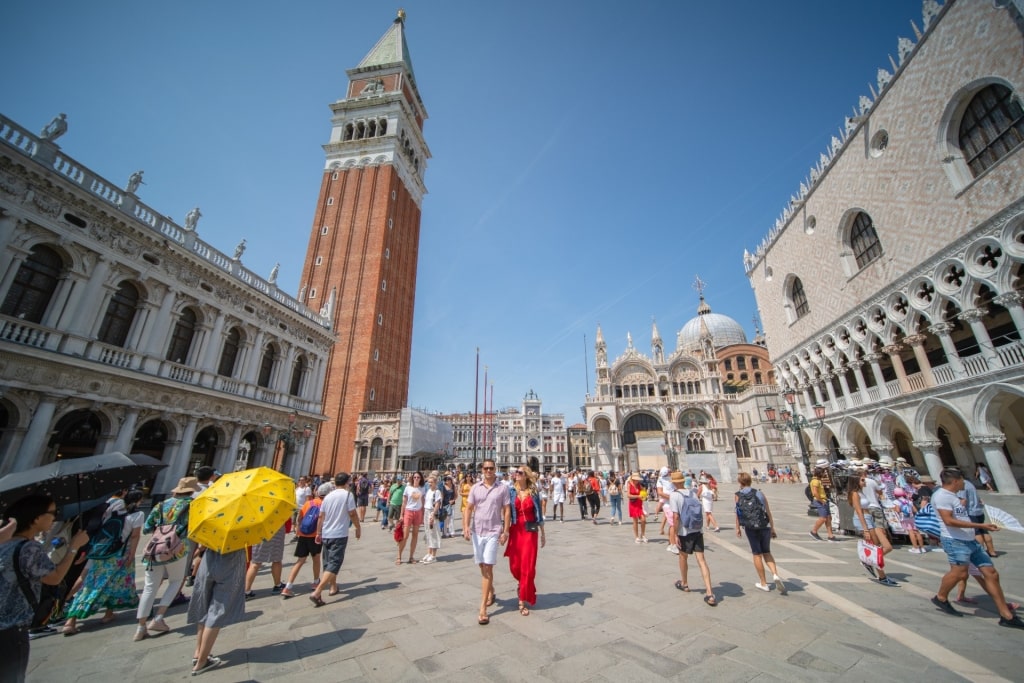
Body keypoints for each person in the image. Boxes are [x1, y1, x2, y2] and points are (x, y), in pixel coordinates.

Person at [1, 495, 89, 683]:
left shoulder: (6, 544)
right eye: (52, 513)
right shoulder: (29, 548)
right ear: (36, 517)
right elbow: (54, 578)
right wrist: (74, 546)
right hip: (12, 629)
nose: (55, 517)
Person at [930, 468, 1023, 628]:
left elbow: (958, 515)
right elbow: (949, 521)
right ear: (955, 481)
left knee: (991, 573)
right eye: (962, 480)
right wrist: (979, 525)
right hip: (955, 541)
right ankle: (941, 597)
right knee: (959, 573)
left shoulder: (953, 496)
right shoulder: (941, 496)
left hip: (969, 539)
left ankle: (1006, 615)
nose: (964, 484)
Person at [62, 490, 144, 635]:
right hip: (119, 554)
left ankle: (68, 610)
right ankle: (74, 618)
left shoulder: (110, 510)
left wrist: (87, 551)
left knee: (87, 581)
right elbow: (135, 536)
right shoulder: (137, 515)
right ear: (139, 501)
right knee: (105, 585)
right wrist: (131, 555)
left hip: (99, 551)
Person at [134, 477, 198, 641]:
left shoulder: (161, 505)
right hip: (179, 548)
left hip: (155, 547)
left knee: (149, 587)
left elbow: (147, 527)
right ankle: (158, 618)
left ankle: (140, 627)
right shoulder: (193, 505)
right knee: (176, 581)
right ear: (192, 490)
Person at [463, 459, 510, 626]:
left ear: (495, 470)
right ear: (482, 470)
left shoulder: (502, 488)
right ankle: (491, 590)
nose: (489, 471)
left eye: (491, 468)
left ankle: (482, 608)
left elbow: (506, 510)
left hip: (493, 531)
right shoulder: (475, 488)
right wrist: (466, 527)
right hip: (477, 531)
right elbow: (468, 508)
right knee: (482, 566)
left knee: (488, 567)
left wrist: (505, 531)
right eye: (486, 468)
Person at [186, 543, 246, 675]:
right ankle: (202, 661)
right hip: (232, 558)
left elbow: (200, 544)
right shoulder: (241, 522)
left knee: (204, 604)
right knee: (217, 610)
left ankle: (198, 652)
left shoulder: (210, 521)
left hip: (209, 556)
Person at [310, 473, 360, 607]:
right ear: (347, 482)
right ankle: (318, 591)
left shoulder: (327, 496)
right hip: (339, 534)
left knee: (327, 563)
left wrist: (318, 532)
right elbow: (353, 513)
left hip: (326, 534)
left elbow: (321, 516)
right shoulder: (348, 495)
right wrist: (358, 527)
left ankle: (333, 587)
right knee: (335, 563)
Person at [668, 471, 716, 606]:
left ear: (674, 483)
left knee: (683, 557)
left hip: (685, 532)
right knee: (702, 560)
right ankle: (709, 593)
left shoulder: (675, 496)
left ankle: (684, 583)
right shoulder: (693, 493)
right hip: (697, 530)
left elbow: (676, 517)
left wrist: (676, 534)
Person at [734, 472, 787, 594]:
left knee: (757, 554)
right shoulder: (759, 493)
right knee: (767, 552)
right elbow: (768, 512)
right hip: (765, 526)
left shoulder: (738, 495)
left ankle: (763, 583)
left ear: (740, 482)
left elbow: (738, 513)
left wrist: (737, 528)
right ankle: (775, 575)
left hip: (750, 527)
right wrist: (772, 528)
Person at [505, 466, 545, 616]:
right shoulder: (510, 491)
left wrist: (543, 533)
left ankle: (522, 599)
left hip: (529, 531)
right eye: (516, 473)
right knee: (515, 565)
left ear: (526, 476)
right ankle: (522, 583)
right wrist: (504, 530)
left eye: (520, 473)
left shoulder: (533, 492)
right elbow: (505, 510)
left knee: (527, 565)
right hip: (516, 529)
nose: (516, 474)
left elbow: (538, 513)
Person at [281, 482, 331, 599]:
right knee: (316, 559)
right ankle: (315, 581)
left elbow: (299, 517)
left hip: (303, 535)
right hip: (315, 536)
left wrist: (299, 529)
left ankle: (288, 586)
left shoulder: (309, 503)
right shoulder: (325, 504)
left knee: (300, 561)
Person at [848, 472, 898, 586]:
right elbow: (859, 512)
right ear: (856, 482)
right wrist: (865, 529)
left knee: (887, 547)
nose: (864, 481)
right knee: (875, 548)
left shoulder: (861, 492)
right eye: (862, 480)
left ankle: (868, 561)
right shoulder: (854, 493)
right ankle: (882, 576)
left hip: (870, 518)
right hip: (864, 520)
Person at [243, 523, 286, 599]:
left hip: (259, 530)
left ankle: (246, 590)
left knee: (255, 562)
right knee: (277, 559)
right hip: (276, 528)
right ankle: (278, 585)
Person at [397, 472, 425, 565]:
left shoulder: (422, 488)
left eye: (418, 477)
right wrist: (401, 515)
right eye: (415, 477)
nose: (416, 478)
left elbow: (423, 502)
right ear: (412, 478)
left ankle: (411, 556)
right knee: (405, 536)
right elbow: (404, 502)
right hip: (408, 511)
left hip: (418, 512)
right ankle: (399, 555)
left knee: (415, 535)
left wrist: (423, 514)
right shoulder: (408, 488)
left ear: (420, 479)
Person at [808, 463, 837, 542]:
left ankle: (830, 535)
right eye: (823, 472)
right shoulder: (815, 481)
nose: (824, 474)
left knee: (828, 518)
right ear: (819, 473)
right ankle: (814, 531)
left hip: (824, 500)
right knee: (823, 518)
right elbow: (815, 492)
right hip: (820, 501)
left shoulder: (818, 481)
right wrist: (821, 500)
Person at [420, 475, 442, 563]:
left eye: (431, 482)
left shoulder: (437, 492)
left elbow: (437, 504)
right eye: (428, 482)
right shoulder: (428, 490)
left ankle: (433, 555)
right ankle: (429, 553)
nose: (429, 484)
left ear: (435, 483)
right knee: (428, 532)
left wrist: (433, 515)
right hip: (426, 511)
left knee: (433, 533)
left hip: (432, 512)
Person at [656, 467, 678, 554]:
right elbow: (660, 493)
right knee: (673, 525)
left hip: (674, 503)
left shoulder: (671, 479)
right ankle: (673, 545)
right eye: (669, 472)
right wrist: (672, 497)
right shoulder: (660, 480)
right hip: (668, 505)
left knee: (672, 524)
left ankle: (670, 542)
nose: (670, 472)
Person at [627, 472, 648, 543]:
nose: (637, 481)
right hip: (633, 505)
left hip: (639, 504)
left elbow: (643, 490)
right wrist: (637, 496)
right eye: (636, 480)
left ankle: (643, 534)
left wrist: (644, 493)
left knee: (643, 520)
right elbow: (628, 495)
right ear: (633, 479)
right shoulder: (629, 484)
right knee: (635, 521)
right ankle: (636, 537)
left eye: (638, 480)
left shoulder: (639, 485)